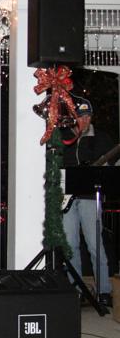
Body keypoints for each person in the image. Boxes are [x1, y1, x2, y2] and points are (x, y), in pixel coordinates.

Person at [62, 98, 114, 308]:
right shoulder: (62, 137)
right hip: (66, 199)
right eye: (80, 116)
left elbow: (112, 164)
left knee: (95, 246)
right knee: (70, 246)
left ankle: (103, 291)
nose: (84, 120)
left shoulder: (101, 139)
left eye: (87, 116)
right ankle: (76, 290)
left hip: (90, 199)